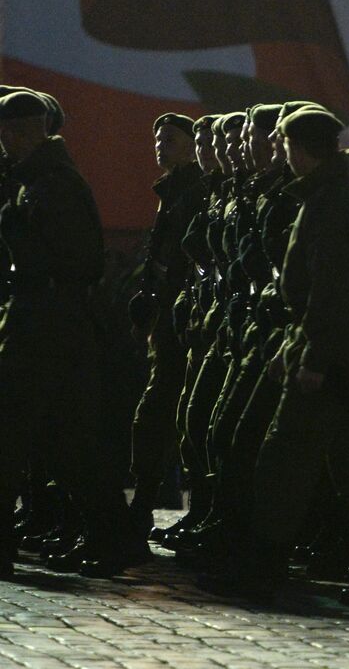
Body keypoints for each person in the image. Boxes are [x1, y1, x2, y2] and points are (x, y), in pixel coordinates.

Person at [239, 107, 349, 606]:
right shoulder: (339, 195)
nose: (280, 155)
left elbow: (331, 291)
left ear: (299, 149)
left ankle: (265, 566)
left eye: (284, 146)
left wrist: (311, 357)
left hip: (335, 356)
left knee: (283, 459)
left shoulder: (332, 203)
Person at [0, 90, 134, 578]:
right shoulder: (33, 179)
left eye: (10, 133)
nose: (5, 143)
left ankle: (111, 537)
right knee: (63, 441)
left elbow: (77, 260)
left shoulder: (53, 184)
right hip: (42, 318)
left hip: (48, 320)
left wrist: (19, 235)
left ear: (27, 132)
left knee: (33, 435)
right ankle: (111, 537)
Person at [128, 113, 203, 537]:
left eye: (171, 139)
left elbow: (183, 261)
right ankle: (150, 498)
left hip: (183, 320)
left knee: (172, 413)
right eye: (158, 139)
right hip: (168, 317)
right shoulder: (172, 189)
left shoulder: (191, 191)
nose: (161, 146)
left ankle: (152, 501)